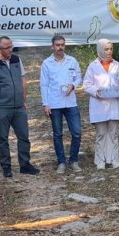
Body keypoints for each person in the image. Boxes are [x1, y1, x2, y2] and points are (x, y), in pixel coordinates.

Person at [0, 36, 40, 178]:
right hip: (2, 107)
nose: (11, 49)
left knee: (24, 137)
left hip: (19, 107)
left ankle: (25, 165)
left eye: (11, 46)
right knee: (2, 138)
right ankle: (6, 167)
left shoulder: (16, 59)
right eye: (7, 47)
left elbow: (23, 80)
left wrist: (24, 100)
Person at [40, 35, 83, 173]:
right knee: (58, 134)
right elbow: (44, 85)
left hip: (70, 102)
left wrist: (73, 85)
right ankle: (61, 162)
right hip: (55, 103)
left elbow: (79, 77)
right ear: (52, 46)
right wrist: (45, 104)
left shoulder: (72, 61)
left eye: (62, 45)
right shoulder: (47, 63)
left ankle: (74, 161)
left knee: (76, 132)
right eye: (57, 45)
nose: (60, 47)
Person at [83, 38, 119, 169]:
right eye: (106, 49)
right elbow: (86, 84)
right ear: (100, 49)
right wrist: (95, 92)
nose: (109, 52)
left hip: (114, 102)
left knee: (113, 133)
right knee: (101, 133)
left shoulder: (117, 65)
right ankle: (100, 160)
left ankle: (113, 159)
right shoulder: (93, 66)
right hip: (99, 104)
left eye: (110, 49)